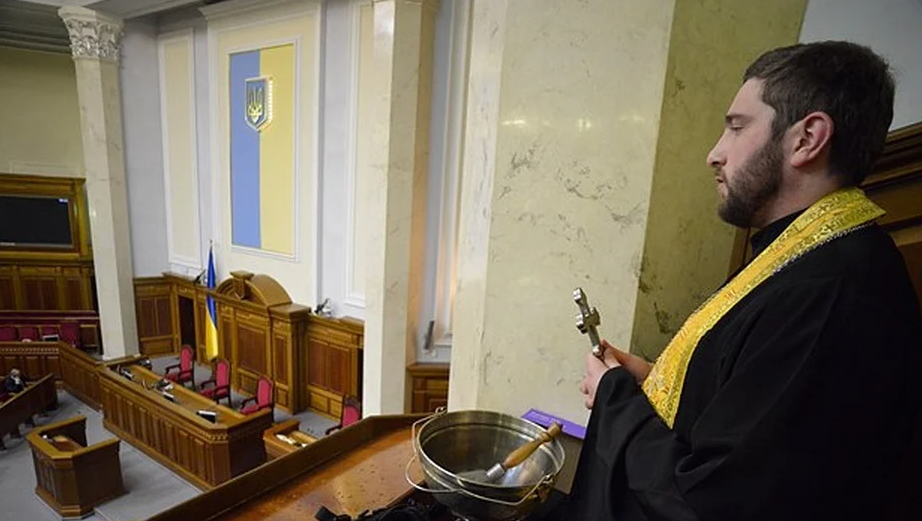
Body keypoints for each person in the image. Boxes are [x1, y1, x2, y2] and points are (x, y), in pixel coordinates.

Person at [568, 41, 922, 521]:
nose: (714, 154)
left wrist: (616, 397)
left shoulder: (833, 291)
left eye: (736, 127)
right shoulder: (799, 254)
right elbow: (754, 414)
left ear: (807, 138)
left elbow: (714, 502)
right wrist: (653, 381)